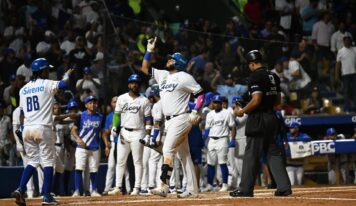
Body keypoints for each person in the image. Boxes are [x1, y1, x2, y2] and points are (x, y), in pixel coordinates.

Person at [141, 37, 205, 198]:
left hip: (181, 118)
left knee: (168, 149)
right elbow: (144, 68)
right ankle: (192, 190)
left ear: (178, 62)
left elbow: (200, 94)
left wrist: (196, 110)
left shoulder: (184, 76)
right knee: (185, 155)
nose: (168, 60)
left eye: (172, 59)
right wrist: (149, 51)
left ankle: (164, 185)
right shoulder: (163, 75)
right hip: (168, 121)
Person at [230, 50, 292, 197]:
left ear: (251, 64)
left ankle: (245, 189)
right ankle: (284, 187)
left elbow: (256, 100)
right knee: (273, 153)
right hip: (271, 117)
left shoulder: (255, 76)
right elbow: (277, 101)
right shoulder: (273, 76)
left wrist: (242, 111)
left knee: (251, 153)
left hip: (258, 118)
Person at [11, 58, 73, 205]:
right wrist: (66, 75)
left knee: (32, 161)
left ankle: (20, 188)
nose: (49, 72)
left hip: (27, 128)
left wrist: (21, 128)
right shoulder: (47, 84)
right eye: (47, 70)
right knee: (48, 162)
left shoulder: (23, 89)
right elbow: (64, 84)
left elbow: (21, 111)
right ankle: (46, 196)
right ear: (42, 71)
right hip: (42, 128)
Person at [109, 74, 152, 195]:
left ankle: (136, 188)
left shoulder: (144, 100)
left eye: (137, 83)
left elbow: (148, 118)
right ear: (128, 84)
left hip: (138, 132)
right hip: (123, 132)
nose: (135, 85)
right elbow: (117, 115)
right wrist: (114, 127)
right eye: (132, 82)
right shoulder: (122, 98)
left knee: (137, 162)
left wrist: (148, 133)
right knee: (120, 161)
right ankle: (118, 187)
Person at [71, 95, 109, 197]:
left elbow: (103, 132)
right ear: (86, 105)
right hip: (82, 147)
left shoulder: (100, 117)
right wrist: (78, 139)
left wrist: (106, 145)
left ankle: (94, 190)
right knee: (79, 168)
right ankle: (77, 190)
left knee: (94, 170)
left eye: (94, 103)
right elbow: (73, 130)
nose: (93, 105)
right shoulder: (81, 116)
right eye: (90, 103)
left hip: (95, 147)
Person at [203, 95, 235, 192]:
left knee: (222, 163)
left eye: (217, 102)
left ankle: (225, 184)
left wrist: (232, 139)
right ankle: (209, 185)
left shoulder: (227, 113)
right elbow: (207, 129)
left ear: (221, 103)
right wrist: (204, 138)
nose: (215, 104)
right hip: (211, 140)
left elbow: (232, 126)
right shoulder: (209, 114)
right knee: (210, 163)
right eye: (214, 102)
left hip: (223, 139)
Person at [102, 96, 118, 195]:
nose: (116, 104)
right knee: (111, 166)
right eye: (114, 102)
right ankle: (107, 189)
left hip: (123, 143)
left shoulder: (124, 114)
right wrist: (106, 145)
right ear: (111, 104)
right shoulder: (109, 116)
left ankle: (128, 189)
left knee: (125, 169)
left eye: (117, 102)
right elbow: (105, 132)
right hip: (113, 144)